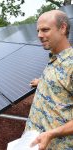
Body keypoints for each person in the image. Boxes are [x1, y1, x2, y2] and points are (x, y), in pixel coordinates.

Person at [25, 10, 73, 150]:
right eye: (38, 31)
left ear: (63, 28)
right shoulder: (55, 57)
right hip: (33, 141)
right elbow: (62, 83)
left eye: (45, 30)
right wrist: (43, 82)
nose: (39, 35)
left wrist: (52, 134)